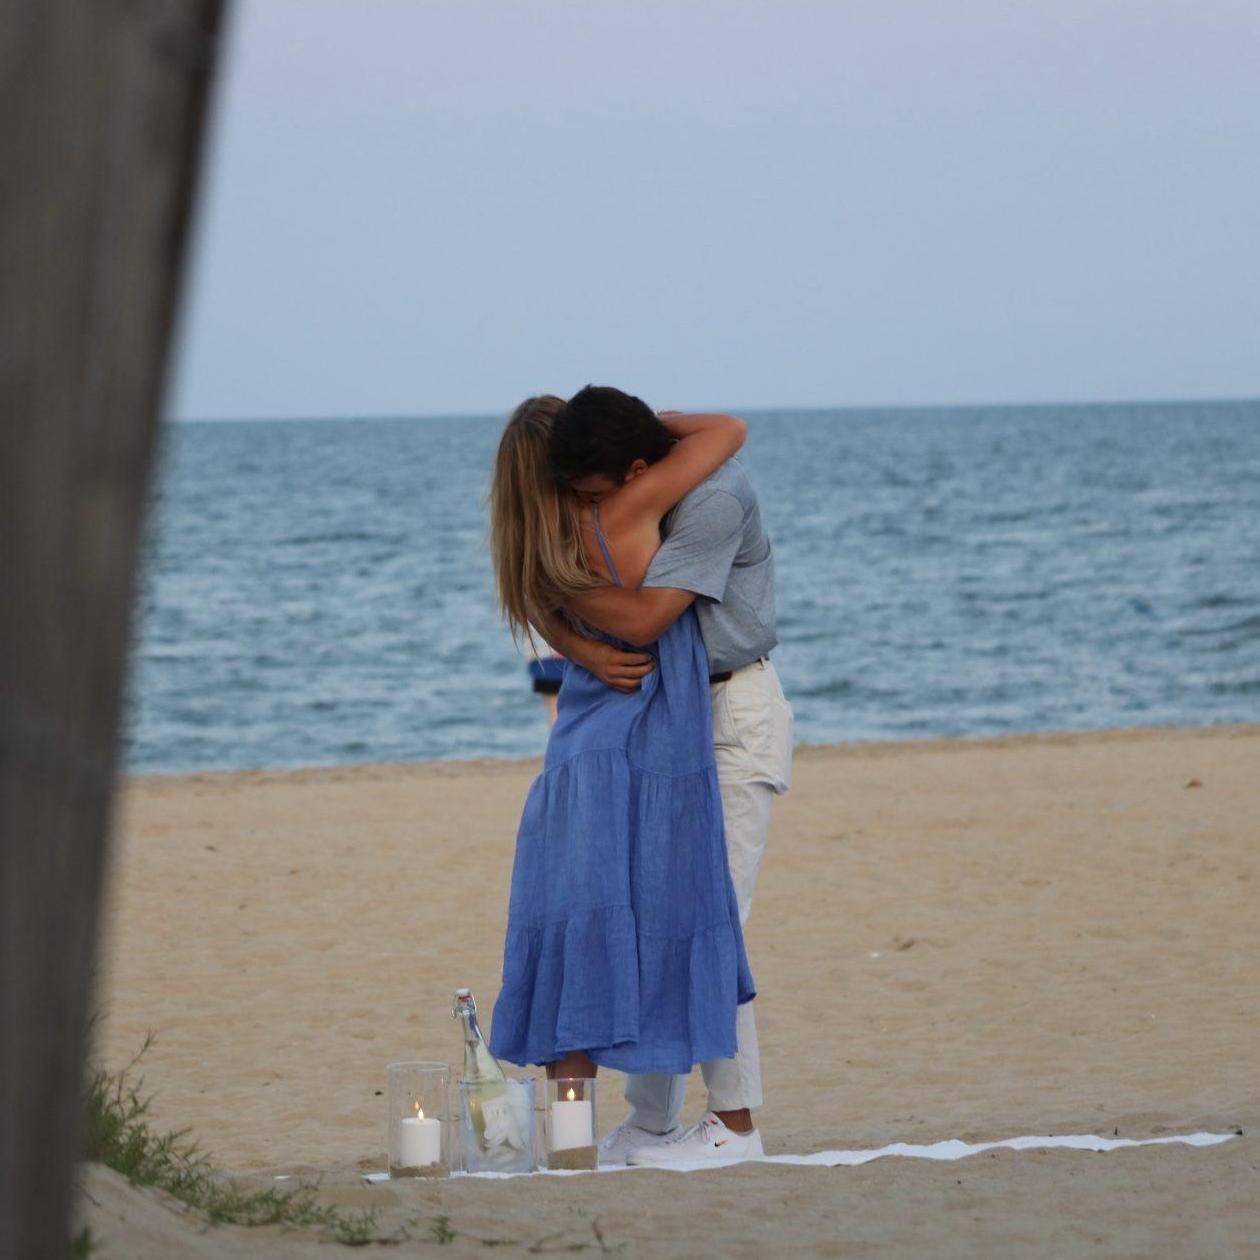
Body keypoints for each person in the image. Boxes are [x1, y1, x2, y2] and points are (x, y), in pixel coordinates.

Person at [541, 385, 793, 1166]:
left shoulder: (715, 496)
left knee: (712, 922)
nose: (592, 510)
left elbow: (650, 616)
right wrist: (574, 641)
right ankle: (651, 1121)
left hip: (730, 713)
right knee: (657, 916)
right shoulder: (650, 488)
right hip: (666, 716)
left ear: (636, 469)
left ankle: (734, 1125)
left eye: (596, 493)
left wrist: (552, 591)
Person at [486, 394, 756, 1106]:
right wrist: (645, 426)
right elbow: (729, 429)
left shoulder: (531, 556)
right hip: (648, 732)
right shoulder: (625, 507)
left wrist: (579, 650)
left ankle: (570, 1131)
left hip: (577, 743)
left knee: (575, 926)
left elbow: (545, 613)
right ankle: (709, 1114)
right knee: (661, 912)